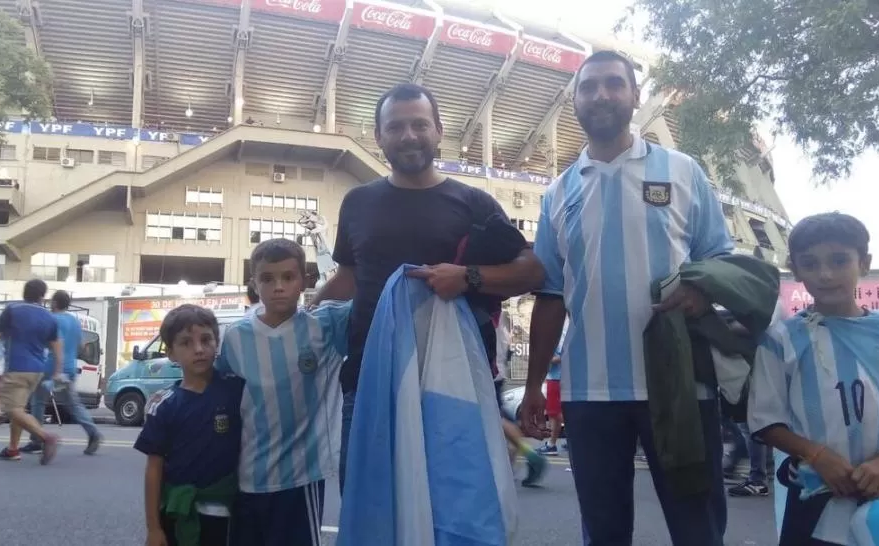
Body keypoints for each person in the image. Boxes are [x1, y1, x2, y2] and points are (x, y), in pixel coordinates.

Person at [521, 50, 734, 545]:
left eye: (614, 84)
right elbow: (550, 294)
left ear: (635, 96)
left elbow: (719, 257)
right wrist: (534, 386)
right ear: (574, 100)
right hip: (590, 394)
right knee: (604, 532)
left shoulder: (683, 171)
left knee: (698, 528)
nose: (602, 94)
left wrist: (700, 291)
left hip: (680, 384)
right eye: (589, 86)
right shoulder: (559, 192)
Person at [310, 82, 545, 493]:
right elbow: (349, 277)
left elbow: (531, 270)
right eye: (396, 126)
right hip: (369, 379)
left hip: (451, 385)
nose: (409, 135)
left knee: (450, 512)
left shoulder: (474, 202)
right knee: (370, 508)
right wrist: (301, 314)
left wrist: (468, 276)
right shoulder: (357, 203)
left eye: (420, 124)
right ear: (379, 136)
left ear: (438, 130)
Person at [749, 212, 879, 545]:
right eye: (810, 264)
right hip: (816, 498)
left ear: (864, 263)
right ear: (795, 270)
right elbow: (765, 420)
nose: (825, 274)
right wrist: (817, 456)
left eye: (840, 261)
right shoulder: (780, 339)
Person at [217, 239, 350, 546]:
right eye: (267, 278)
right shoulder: (236, 337)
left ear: (305, 280)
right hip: (248, 478)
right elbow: (219, 393)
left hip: (300, 478)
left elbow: (371, 293)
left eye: (288, 277)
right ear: (254, 284)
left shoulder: (326, 325)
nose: (278, 286)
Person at [136, 304, 241, 546]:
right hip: (178, 514)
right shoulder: (163, 405)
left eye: (206, 340)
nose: (199, 349)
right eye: (186, 343)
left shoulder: (236, 390)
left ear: (217, 343)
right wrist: (153, 528)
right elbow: (154, 469)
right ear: (171, 353)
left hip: (227, 514)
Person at [22, 290, 103, 455]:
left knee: (37, 402)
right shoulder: (74, 321)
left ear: (54, 303)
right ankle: (93, 432)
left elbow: (48, 343)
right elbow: (81, 346)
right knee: (74, 405)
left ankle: (37, 439)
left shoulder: (52, 319)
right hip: (70, 368)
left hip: (51, 367)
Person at [0, 279, 64, 464]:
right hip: (37, 370)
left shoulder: (13, 309)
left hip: (17, 366)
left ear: (25, 292)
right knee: (19, 409)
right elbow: (57, 347)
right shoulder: (50, 317)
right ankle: (13, 449)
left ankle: (46, 437)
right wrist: (57, 372)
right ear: (42, 296)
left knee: (11, 409)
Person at [537, 323, 568, 456]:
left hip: (556, 378)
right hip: (555, 377)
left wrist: (544, 359)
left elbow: (560, 357)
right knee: (554, 413)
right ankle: (564, 440)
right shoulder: (560, 333)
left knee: (553, 413)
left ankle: (552, 444)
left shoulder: (558, 334)